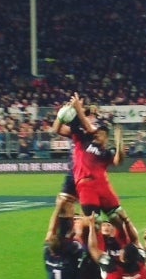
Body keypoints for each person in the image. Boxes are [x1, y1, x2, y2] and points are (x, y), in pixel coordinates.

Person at [54, 94, 126, 222]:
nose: (91, 116)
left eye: (92, 114)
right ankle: (63, 235)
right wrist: (61, 115)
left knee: (95, 215)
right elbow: (57, 129)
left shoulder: (94, 130)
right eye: (88, 113)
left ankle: (85, 230)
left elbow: (90, 128)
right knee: (62, 206)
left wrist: (77, 108)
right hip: (74, 173)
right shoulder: (80, 132)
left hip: (90, 177)